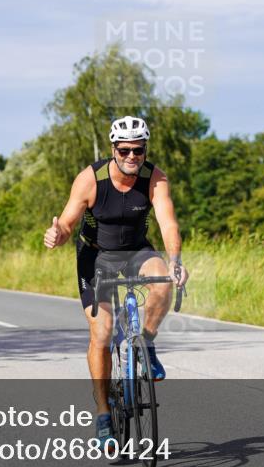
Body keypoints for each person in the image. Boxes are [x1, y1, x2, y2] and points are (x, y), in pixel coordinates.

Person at [43, 116, 189, 449]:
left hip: (136, 250)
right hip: (96, 257)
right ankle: (104, 414)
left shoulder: (155, 179)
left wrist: (176, 261)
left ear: (145, 149)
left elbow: (168, 223)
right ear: (114, 149)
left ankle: (146, 344)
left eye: (139, 150)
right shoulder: (90, 179)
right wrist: (57, 234)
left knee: (163, 282)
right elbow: (67, 222)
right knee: (103, 332)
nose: (132, 157)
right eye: (125, 150)